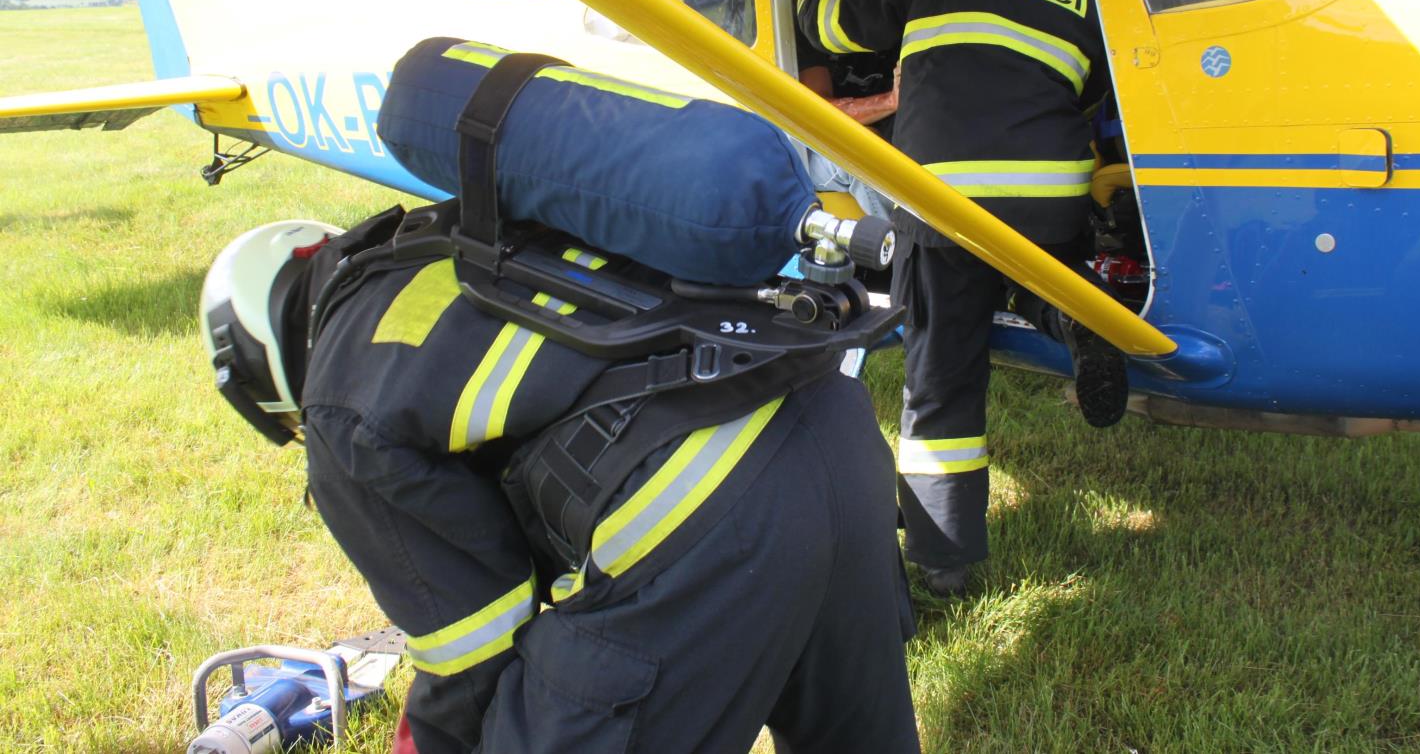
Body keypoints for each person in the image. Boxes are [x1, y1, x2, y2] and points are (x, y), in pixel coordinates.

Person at [199, 208, 920, 753]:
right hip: (832, 424)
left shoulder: (338, 400)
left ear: (260, 370)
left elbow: (473, 652)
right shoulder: (439, 238)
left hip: (702, 508)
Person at [795, 0, 1129, 597]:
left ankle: (943, 563)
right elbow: (1096, 92)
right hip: (1052, 199)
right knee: (1029, 280)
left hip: (947, 200)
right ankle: (1070, 318)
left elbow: (836, 27)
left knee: (943, 380)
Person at [791, 0, 913, 217]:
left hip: (876, 130)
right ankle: (903, 255)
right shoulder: (804, 10)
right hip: (805, 148)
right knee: (865, 154)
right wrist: (890, 100)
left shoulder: (897, 14)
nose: (894, 3)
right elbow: (818, 113)